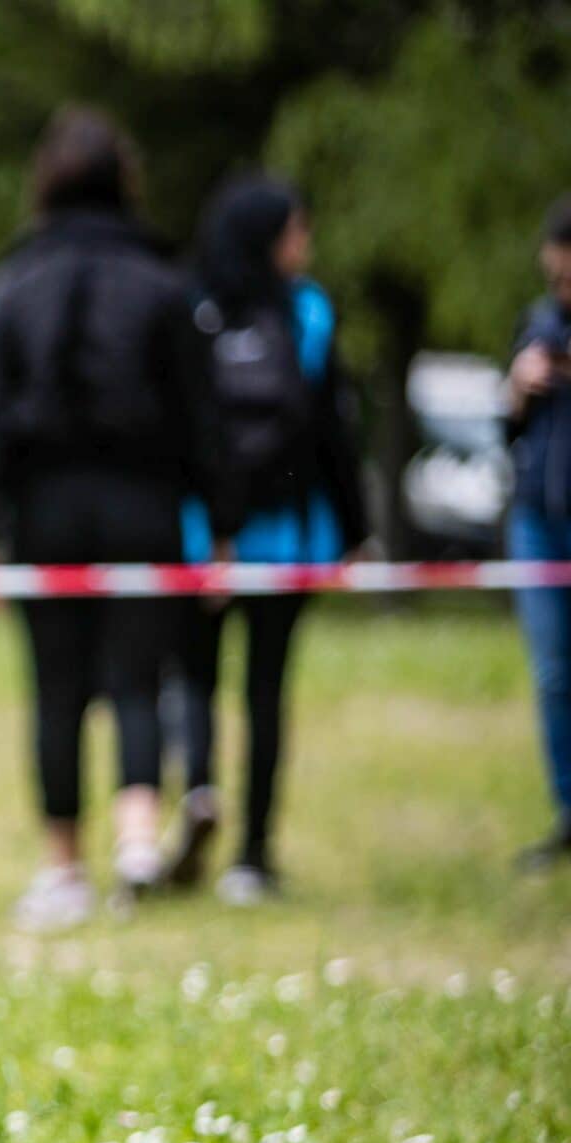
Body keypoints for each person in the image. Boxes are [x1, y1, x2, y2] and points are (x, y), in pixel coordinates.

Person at [0, 106, 234, 932]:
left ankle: (64, 867)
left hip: (44, 512)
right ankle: (139, 841)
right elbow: (200, 417)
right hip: (144, 503)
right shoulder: (166, 284)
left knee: (57, 688)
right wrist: (219, 524)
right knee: (138, 677)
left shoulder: (8, 289)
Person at [160, 176, 365, 904]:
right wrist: (356, 528)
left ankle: (202, 793)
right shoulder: (306, 312)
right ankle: (252, 854)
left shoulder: (188, 305)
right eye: (297, 231)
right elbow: (332, 429)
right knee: (267, 691)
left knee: (195, 680)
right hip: (287, 533)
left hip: (198, 537)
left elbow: (176, 428)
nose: (303, 245)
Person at [504, 193, 571, 873]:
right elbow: (509, 429)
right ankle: (567, 811)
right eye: (557, 277)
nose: (564, 291)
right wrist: (518, 389)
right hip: (539, 517)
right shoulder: (537, 324)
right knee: (554, 672)